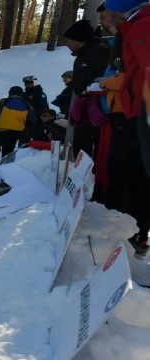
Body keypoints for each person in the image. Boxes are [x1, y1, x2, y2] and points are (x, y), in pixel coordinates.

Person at [104, 0, 150, 257]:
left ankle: (138, 237)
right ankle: (137, 237)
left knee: (140, 178)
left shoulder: (143, 25)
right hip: (138, 109)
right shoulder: (136, 24)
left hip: (144, 110)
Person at [64, 19, 110, 158]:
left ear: (79, 39)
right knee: (81, 145)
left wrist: (88, 90)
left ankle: (94, 175)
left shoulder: (99, 51)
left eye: (69, 40)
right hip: (85, 110)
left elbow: (103, 79)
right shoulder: (81, 56)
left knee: (96, 145)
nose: (67, 43)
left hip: (99, 109)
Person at [0, 86, 34, 170]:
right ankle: (4, 169)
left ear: (10, 93)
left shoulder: (1, 102)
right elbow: (30, 121)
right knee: (7, 152)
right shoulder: (27, 105)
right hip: (15, 133)